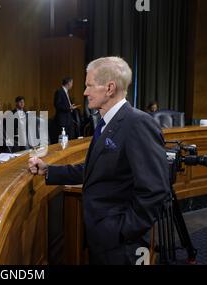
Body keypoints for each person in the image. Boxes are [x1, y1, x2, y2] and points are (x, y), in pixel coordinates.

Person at [29, 57, 170, 265]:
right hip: (102, 239)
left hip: (122, 246)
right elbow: (95, 169)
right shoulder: (107, 122)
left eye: (89, 85)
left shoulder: (138, 124)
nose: (85, 92)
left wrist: (120, 231)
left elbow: (155, 191)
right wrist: (49, 170)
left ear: (110, 88)